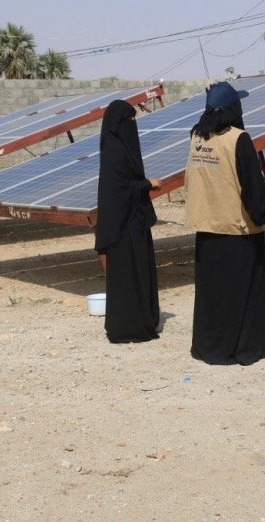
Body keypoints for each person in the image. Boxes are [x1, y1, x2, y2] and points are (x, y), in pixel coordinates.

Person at [184, 82, 265, 365]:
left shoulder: (196, 137)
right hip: (238, 233)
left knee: (212, 295)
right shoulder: (238, 139)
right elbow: (253, 189)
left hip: (207, 231)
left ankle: (209, 347)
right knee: (241, 295)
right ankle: (242, 348)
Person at [94, 100, 162, 343]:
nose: (132, 125)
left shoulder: (117, 145)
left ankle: (144, 318)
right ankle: (130, 326)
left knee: (139, 271)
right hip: (123, 226)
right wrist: (147, 184)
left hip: (133, 219)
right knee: (128, 273)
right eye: (129, 121)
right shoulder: (115, 149)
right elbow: (120, 189)